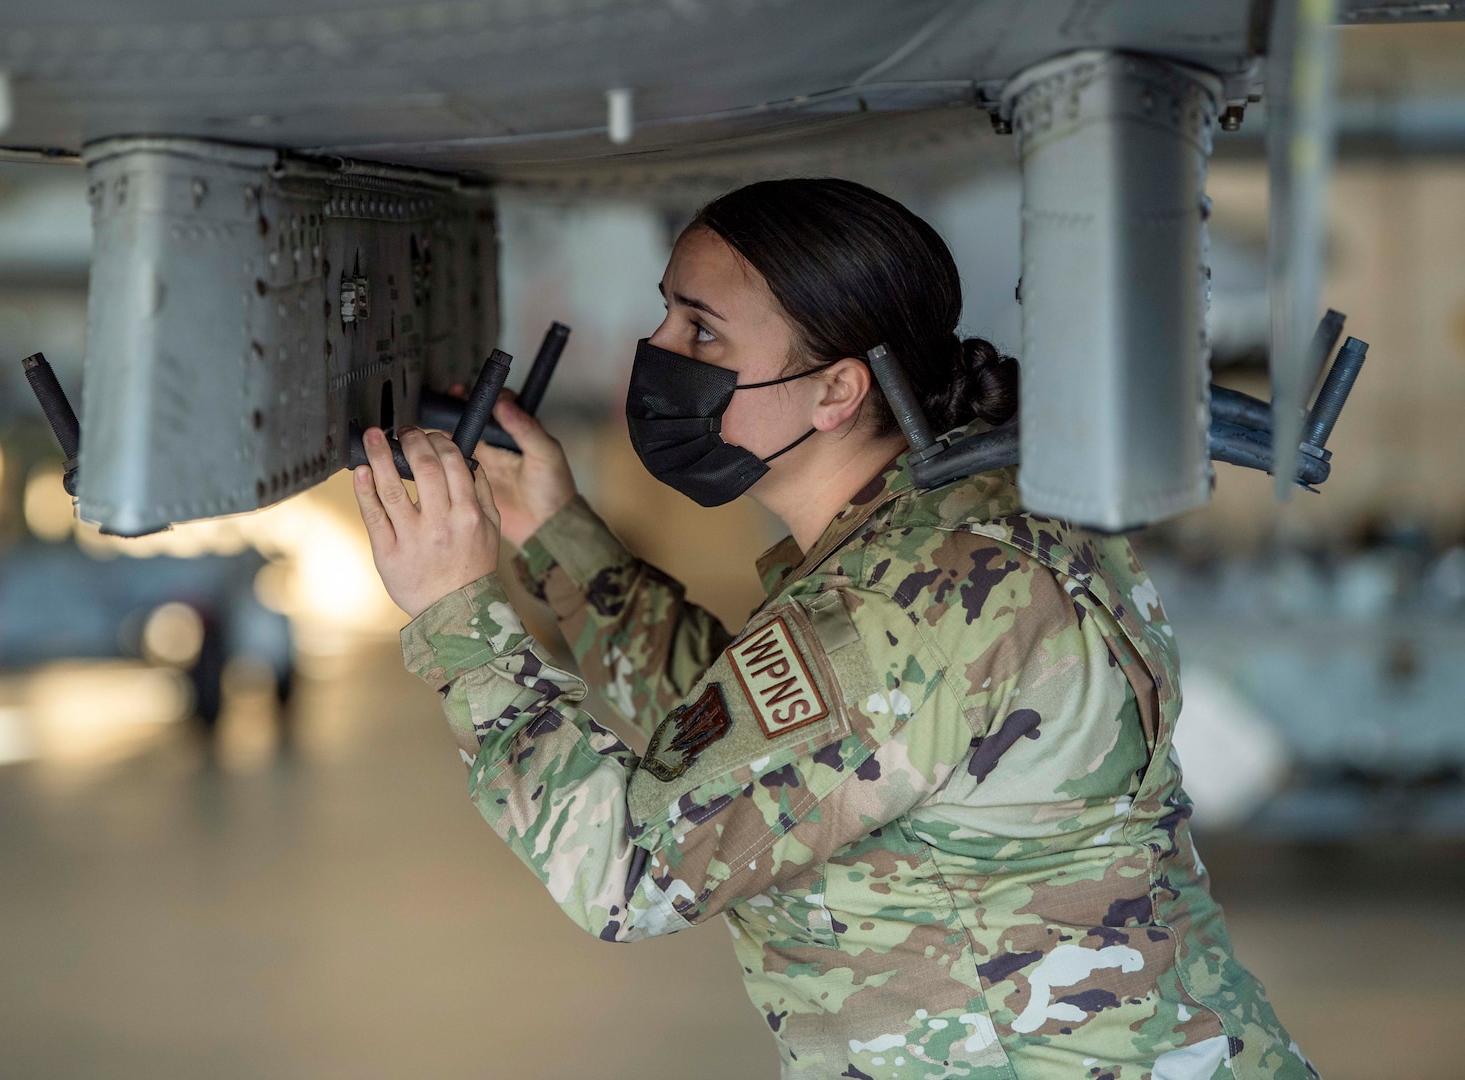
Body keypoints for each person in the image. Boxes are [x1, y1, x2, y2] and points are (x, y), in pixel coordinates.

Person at [351, 179, 1314, 1080]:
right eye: (666, 313)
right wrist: (553, 532)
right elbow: (749, 746)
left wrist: (457, 610)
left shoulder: (904, 603)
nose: (657, 353)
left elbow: (628, 871)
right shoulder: (954, 522)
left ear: (836, 391)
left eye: (703, 331)